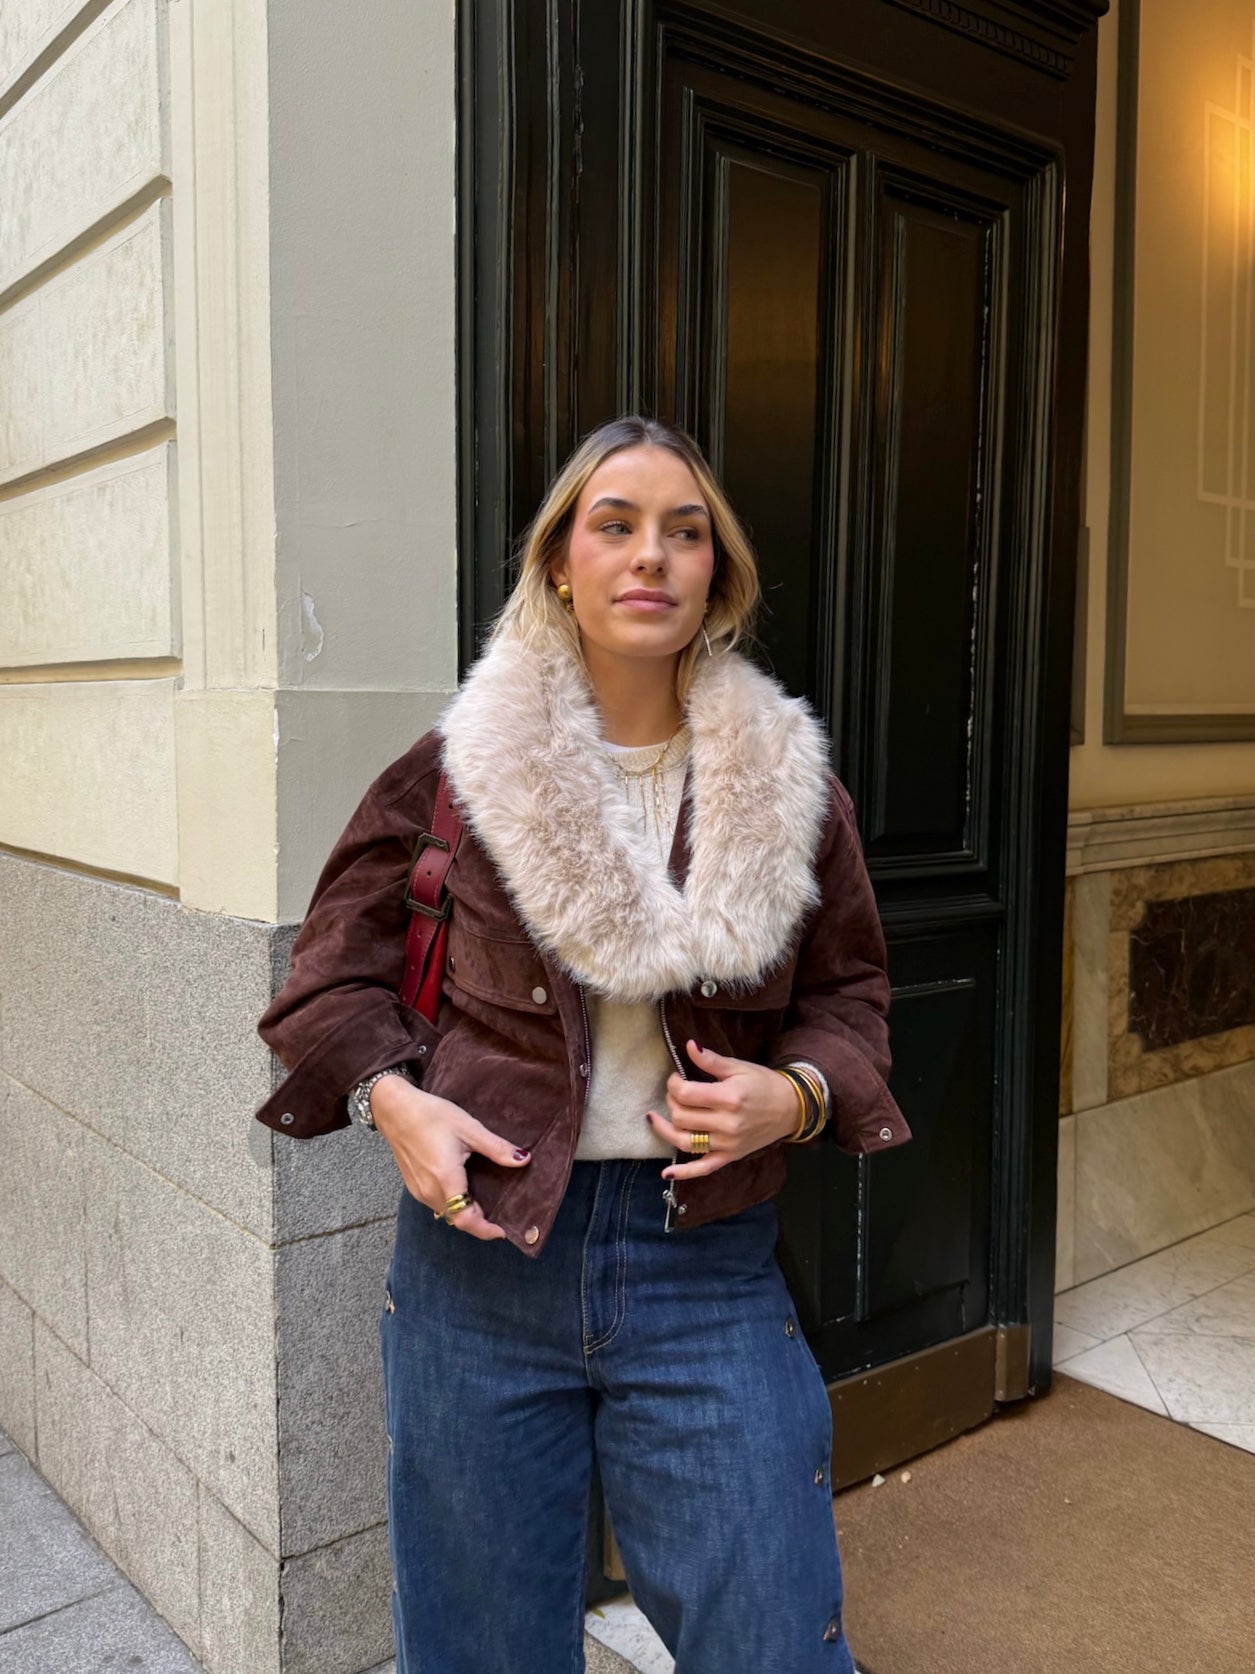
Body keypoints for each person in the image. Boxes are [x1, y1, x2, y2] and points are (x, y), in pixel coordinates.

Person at [254, 415, 910, 1674]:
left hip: (703, 1265)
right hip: (481, 1267)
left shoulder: (786, 786)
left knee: (772, 1634)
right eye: (614, 525)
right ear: (561, 561)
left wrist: (802, 1095)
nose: (649, 556)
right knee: (482, 1647)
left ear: (717, 572)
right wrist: (392, 1100)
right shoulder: (456, 772)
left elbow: (851, 995)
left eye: (685, 531)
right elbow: (328, 975)